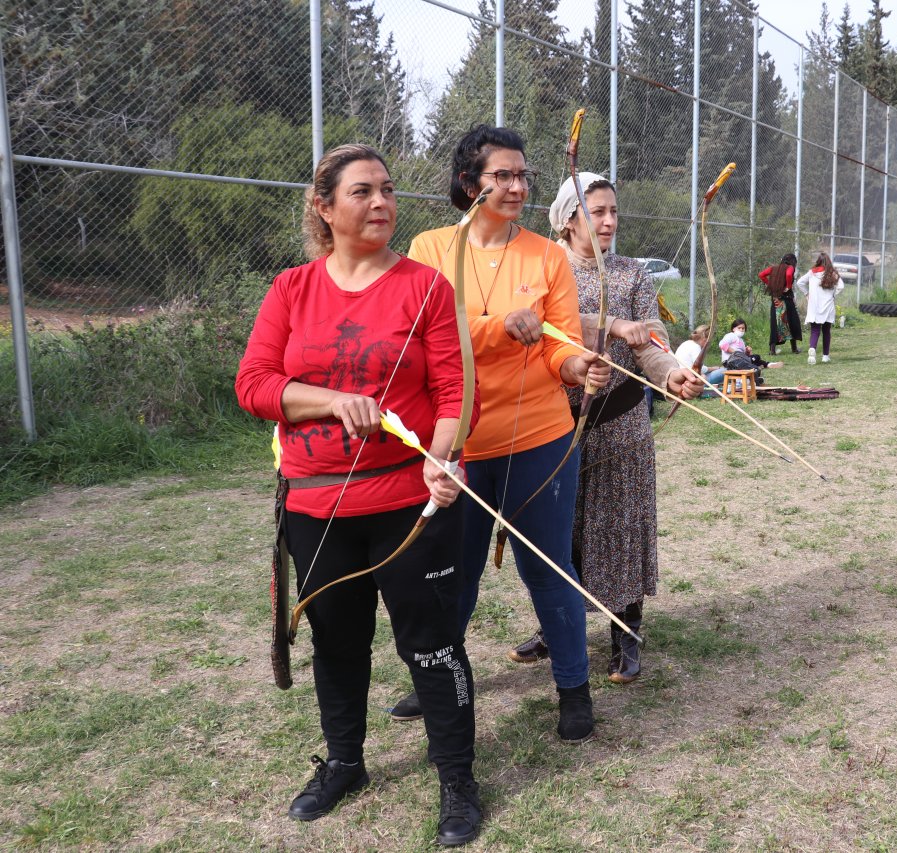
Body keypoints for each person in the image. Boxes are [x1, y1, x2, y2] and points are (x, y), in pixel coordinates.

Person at [235, 144, 483, 845]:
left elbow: (451, 389)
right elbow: (254, 385)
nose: (381, 203)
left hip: (410, 502)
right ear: (324, 207)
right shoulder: (291, 289)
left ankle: (457, 778)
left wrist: (442, 461)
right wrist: (330, 399)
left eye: (388, 190)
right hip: (317, 507)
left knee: (431, 644)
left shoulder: (426, 287)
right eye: (362, 192)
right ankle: (345, 761)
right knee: (337, 642)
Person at [398, 125, 610, 744]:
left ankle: (574, 689)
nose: (518, 187)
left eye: (524, 177)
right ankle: (438, 677)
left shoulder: (546, 256)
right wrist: (499, 326)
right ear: (471, 183)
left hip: (540, 438)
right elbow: (424, 330)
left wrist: (578, 367)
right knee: (453, 574)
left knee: (549, 570)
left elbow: (561, 346)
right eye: (503, 177)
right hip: (454, 442)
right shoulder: (431, 249)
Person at [501, 173, 703, 683]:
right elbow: (545, 325)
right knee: (556, 529)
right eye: (598, 212)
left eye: (614, 211)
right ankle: (557, 625)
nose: (610, 221)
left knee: (622, 524)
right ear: (570, 219)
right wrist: (608, 324)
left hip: (621, 420)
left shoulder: (632, 273)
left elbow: (651, 346)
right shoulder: (546, 267)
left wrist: (671, 373)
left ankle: (625, 631)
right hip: (556, 420)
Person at [795, 252, 844, 364]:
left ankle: (812, 348)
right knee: (826, 331)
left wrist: (807, 293)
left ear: (818, 261)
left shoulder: (812, 272)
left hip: (814, 306)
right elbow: (841, 286)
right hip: (828, 306)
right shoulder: (832, 273)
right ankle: (825, 356)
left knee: (815, 330)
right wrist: (833, 295)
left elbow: (799, 282)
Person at [757, 253, 803, 355]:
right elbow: (789, 274)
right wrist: (789, 286)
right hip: (787, 299)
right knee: (792, 321)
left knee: (775, 324)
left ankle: (772, 350)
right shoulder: (790, 267)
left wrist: (770, 284)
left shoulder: (774, 268)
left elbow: (761, 275)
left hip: (776, 300)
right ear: (792, 261)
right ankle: (794, 349)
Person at [675, 324, 725, 390]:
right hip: (691, 379)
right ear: (705, 339)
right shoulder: (696, 347)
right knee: (725, 370)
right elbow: (700, 369)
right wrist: (714, 368)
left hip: (682, 377)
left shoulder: (687, 343)